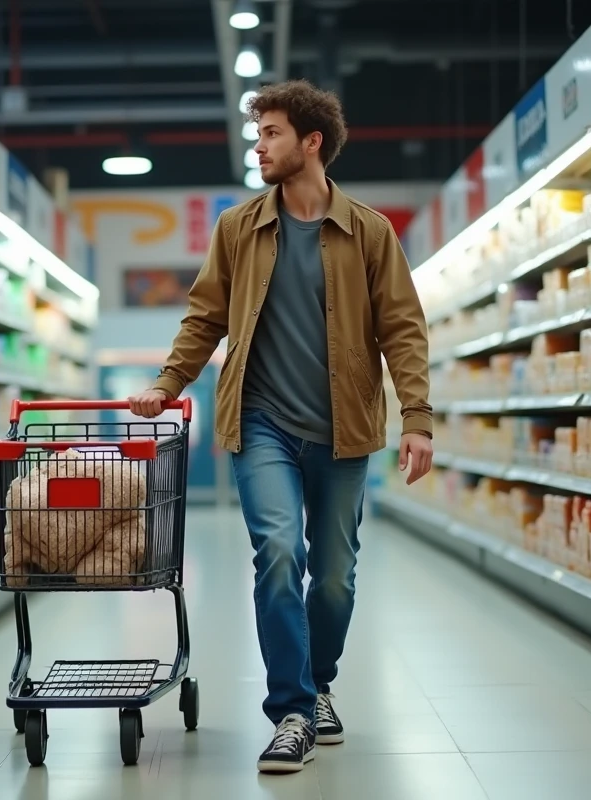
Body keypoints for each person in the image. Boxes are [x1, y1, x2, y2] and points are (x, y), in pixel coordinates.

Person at [128, 79, 432, 774]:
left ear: (312, 141)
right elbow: (206, 315)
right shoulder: (239, 228)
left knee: (333, 578)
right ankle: (292, 710)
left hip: (345, 425)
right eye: (258, 133)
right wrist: (167, 383)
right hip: (260, 422)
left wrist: (417, 417)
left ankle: (318, 683)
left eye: (271, 133)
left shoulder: (369, 231)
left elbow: (403, 331)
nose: (259, 145)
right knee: (277, 554)